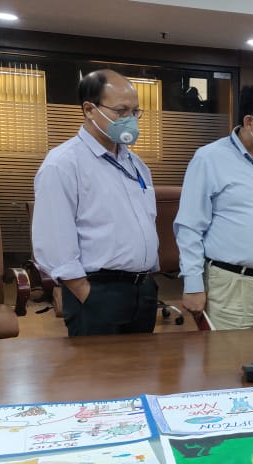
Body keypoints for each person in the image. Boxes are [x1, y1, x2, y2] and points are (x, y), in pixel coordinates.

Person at [33, 69, 159, 336]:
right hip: (98, 291)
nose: (130, 120)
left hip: (143, 290)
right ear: (90, 110)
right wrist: (84, 291)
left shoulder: (135, 164)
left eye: (135, 112)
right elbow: (54, 240)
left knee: (143, 363)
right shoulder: (63, 164)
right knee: (97, 365)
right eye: (121, 111)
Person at [175, 86, 253, 330]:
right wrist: (193, 284)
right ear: (249, 122)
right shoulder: (209, 158)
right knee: (231, 354)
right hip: (234, 284)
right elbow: (189, 227)